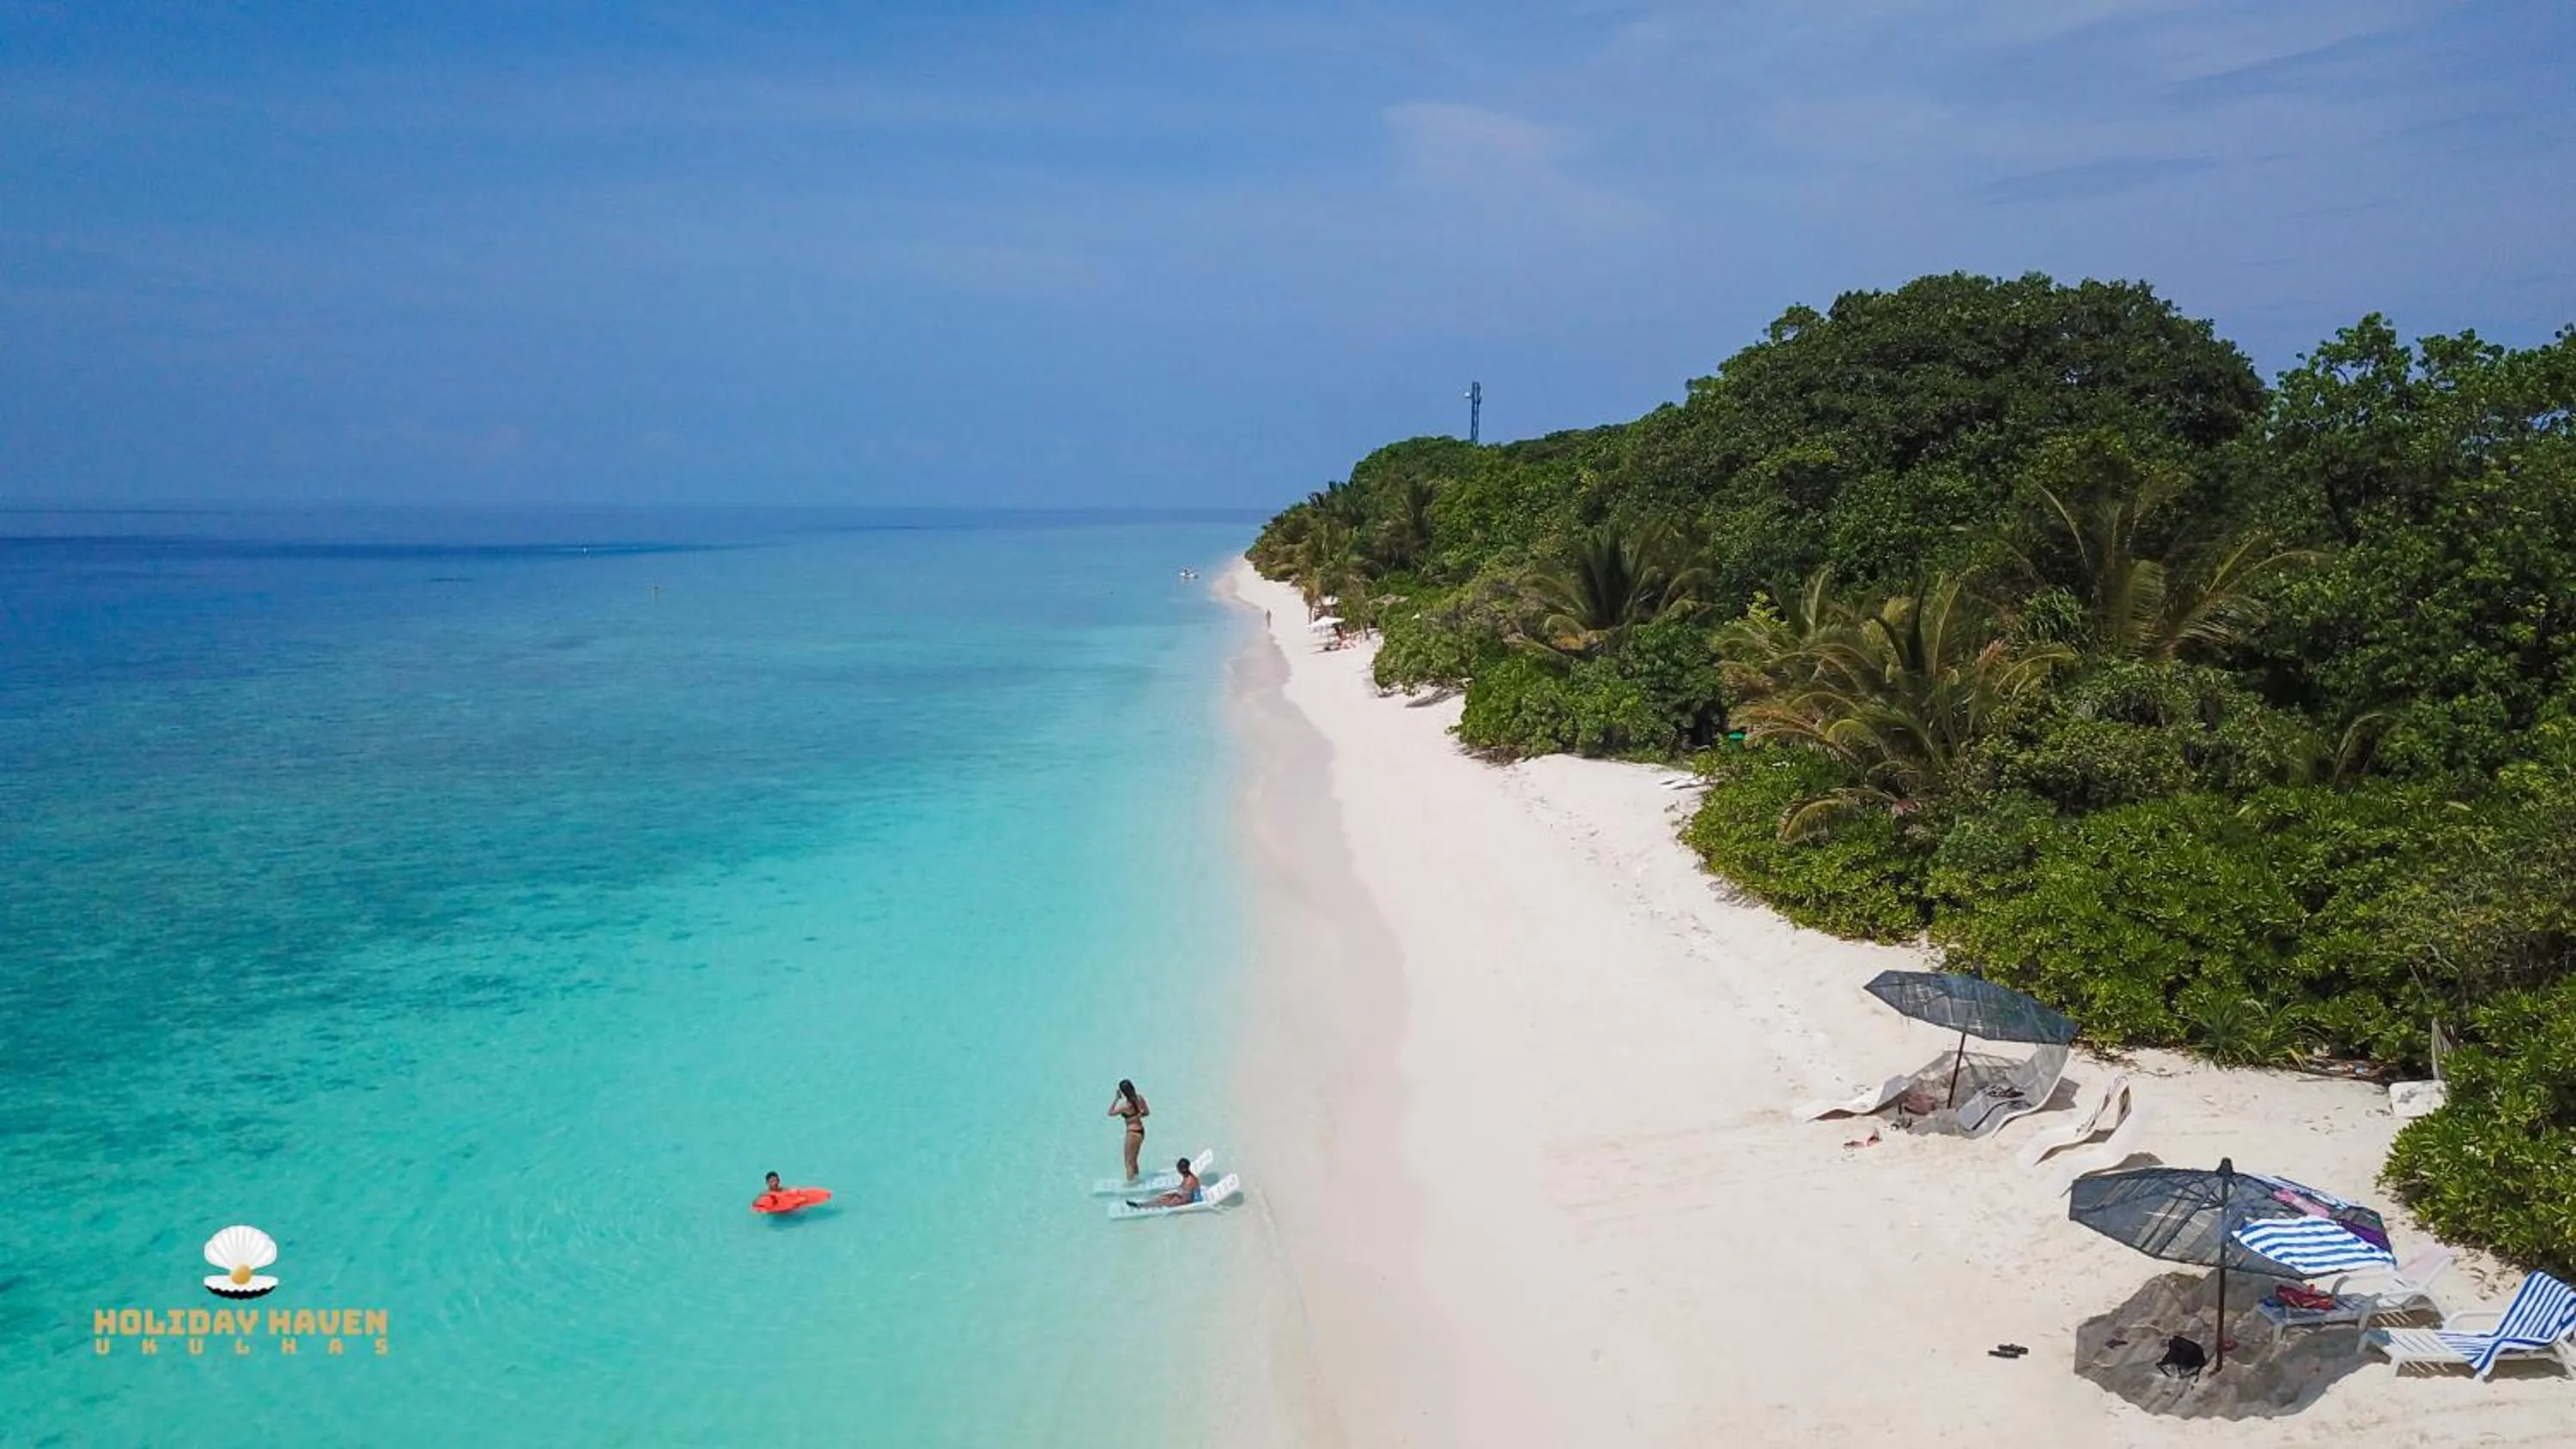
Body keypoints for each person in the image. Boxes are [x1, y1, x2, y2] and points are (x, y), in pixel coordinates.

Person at [1109, 1079, 1149, 1182]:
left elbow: (1110, 1113)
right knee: (1134, 1161)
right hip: (1141, 1131)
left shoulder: (1125, 1106)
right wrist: (1137, 1116)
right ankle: (1136, 1181)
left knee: (1128, 1162)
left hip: (1132, 1133)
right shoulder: (1140, 1098)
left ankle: (1131, 1184)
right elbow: (1147, 1112)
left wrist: (1116, 1098)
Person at [1127, 1158, 1201, 1210]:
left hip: (1188, 1200)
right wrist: (1173, 1195)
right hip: (1185, 1197)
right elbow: (1184, 1192)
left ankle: (1141, 1205)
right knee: (1163, 1196)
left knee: (1163, 1201)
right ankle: (1143, 1204)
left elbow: (1186, 1198)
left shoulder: (1189, 1181)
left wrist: (1174, 1198)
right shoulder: (1188, 1176)